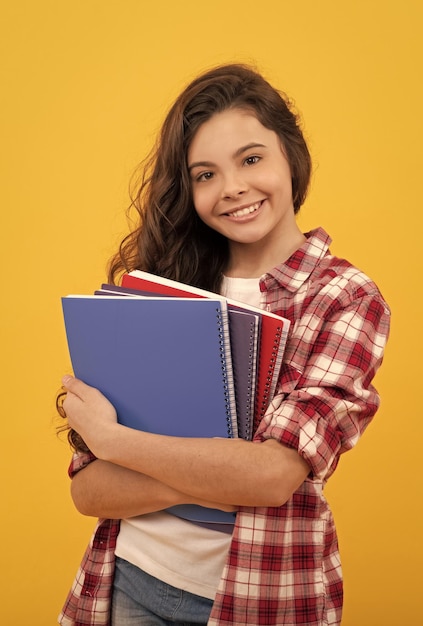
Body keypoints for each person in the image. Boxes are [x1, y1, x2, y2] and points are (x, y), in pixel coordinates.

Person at [58, 63, 390, 626]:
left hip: (264, 596)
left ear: (291, 155)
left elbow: (272, 477)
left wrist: (116, 440)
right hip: (127, 584)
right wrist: (218, 473)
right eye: (204, 174)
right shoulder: (159, 289)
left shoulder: (342, 296)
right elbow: (90, 493)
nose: (233, 187)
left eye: (251, 159)